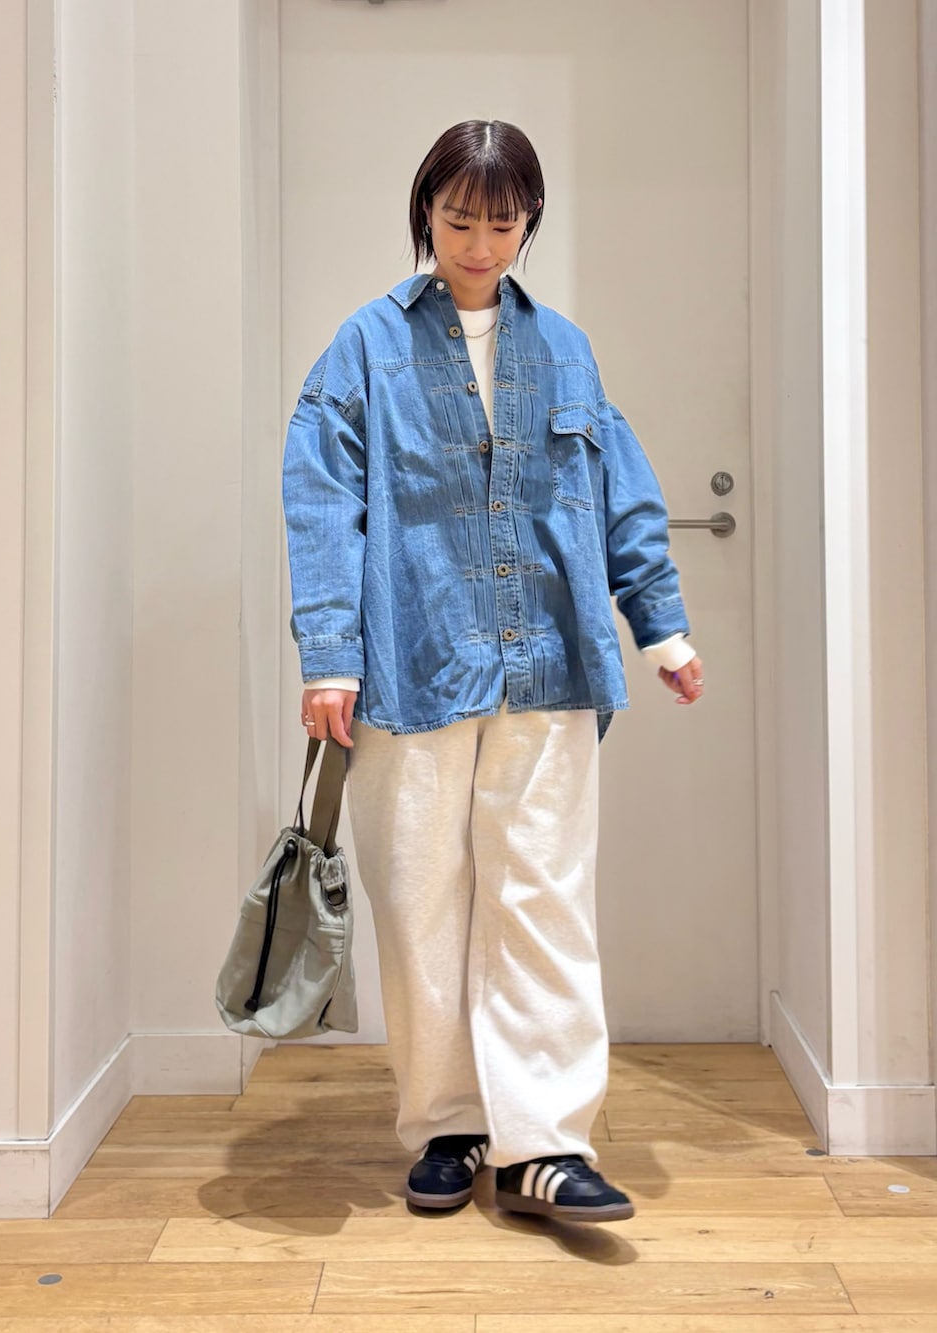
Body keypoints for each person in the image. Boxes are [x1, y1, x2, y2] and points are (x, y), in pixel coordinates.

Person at [282, 120, 704, 1224]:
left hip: (552, 659)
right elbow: (321, 502)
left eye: (501, 223)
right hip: (410, 663)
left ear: (530, 223)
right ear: (426, 213)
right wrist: (329, 655)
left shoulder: (565, 349)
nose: (478, 244)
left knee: (543, 899)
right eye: (458, 219)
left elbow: (622, 492)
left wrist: (661, 628)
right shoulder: (365, 346)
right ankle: (448, 1123)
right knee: (420, 900)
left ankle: (544, 1140)